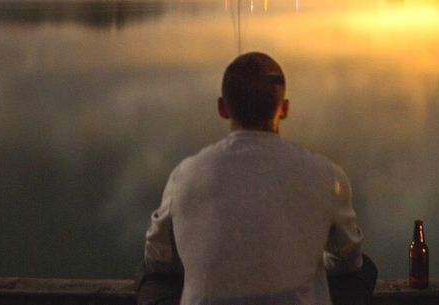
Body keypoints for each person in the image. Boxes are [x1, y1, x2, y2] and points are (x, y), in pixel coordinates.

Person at [137, 52, 376, 305]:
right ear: (284, 109)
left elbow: (158, 257)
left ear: (222, 108)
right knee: (363, 269)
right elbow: (347, 261)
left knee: (150, 273)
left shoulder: (185, 175)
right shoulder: (328, 176)